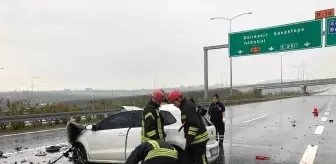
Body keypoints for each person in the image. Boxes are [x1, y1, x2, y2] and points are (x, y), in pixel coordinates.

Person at [168, 90, 209, 164]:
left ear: (179, 99)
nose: (174, 105)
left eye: (174, 102)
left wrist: (189, 140)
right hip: (195, 140)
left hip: (199, 140)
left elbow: (194, 125)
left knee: (201, 161)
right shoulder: (185, 106)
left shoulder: (188, 107)